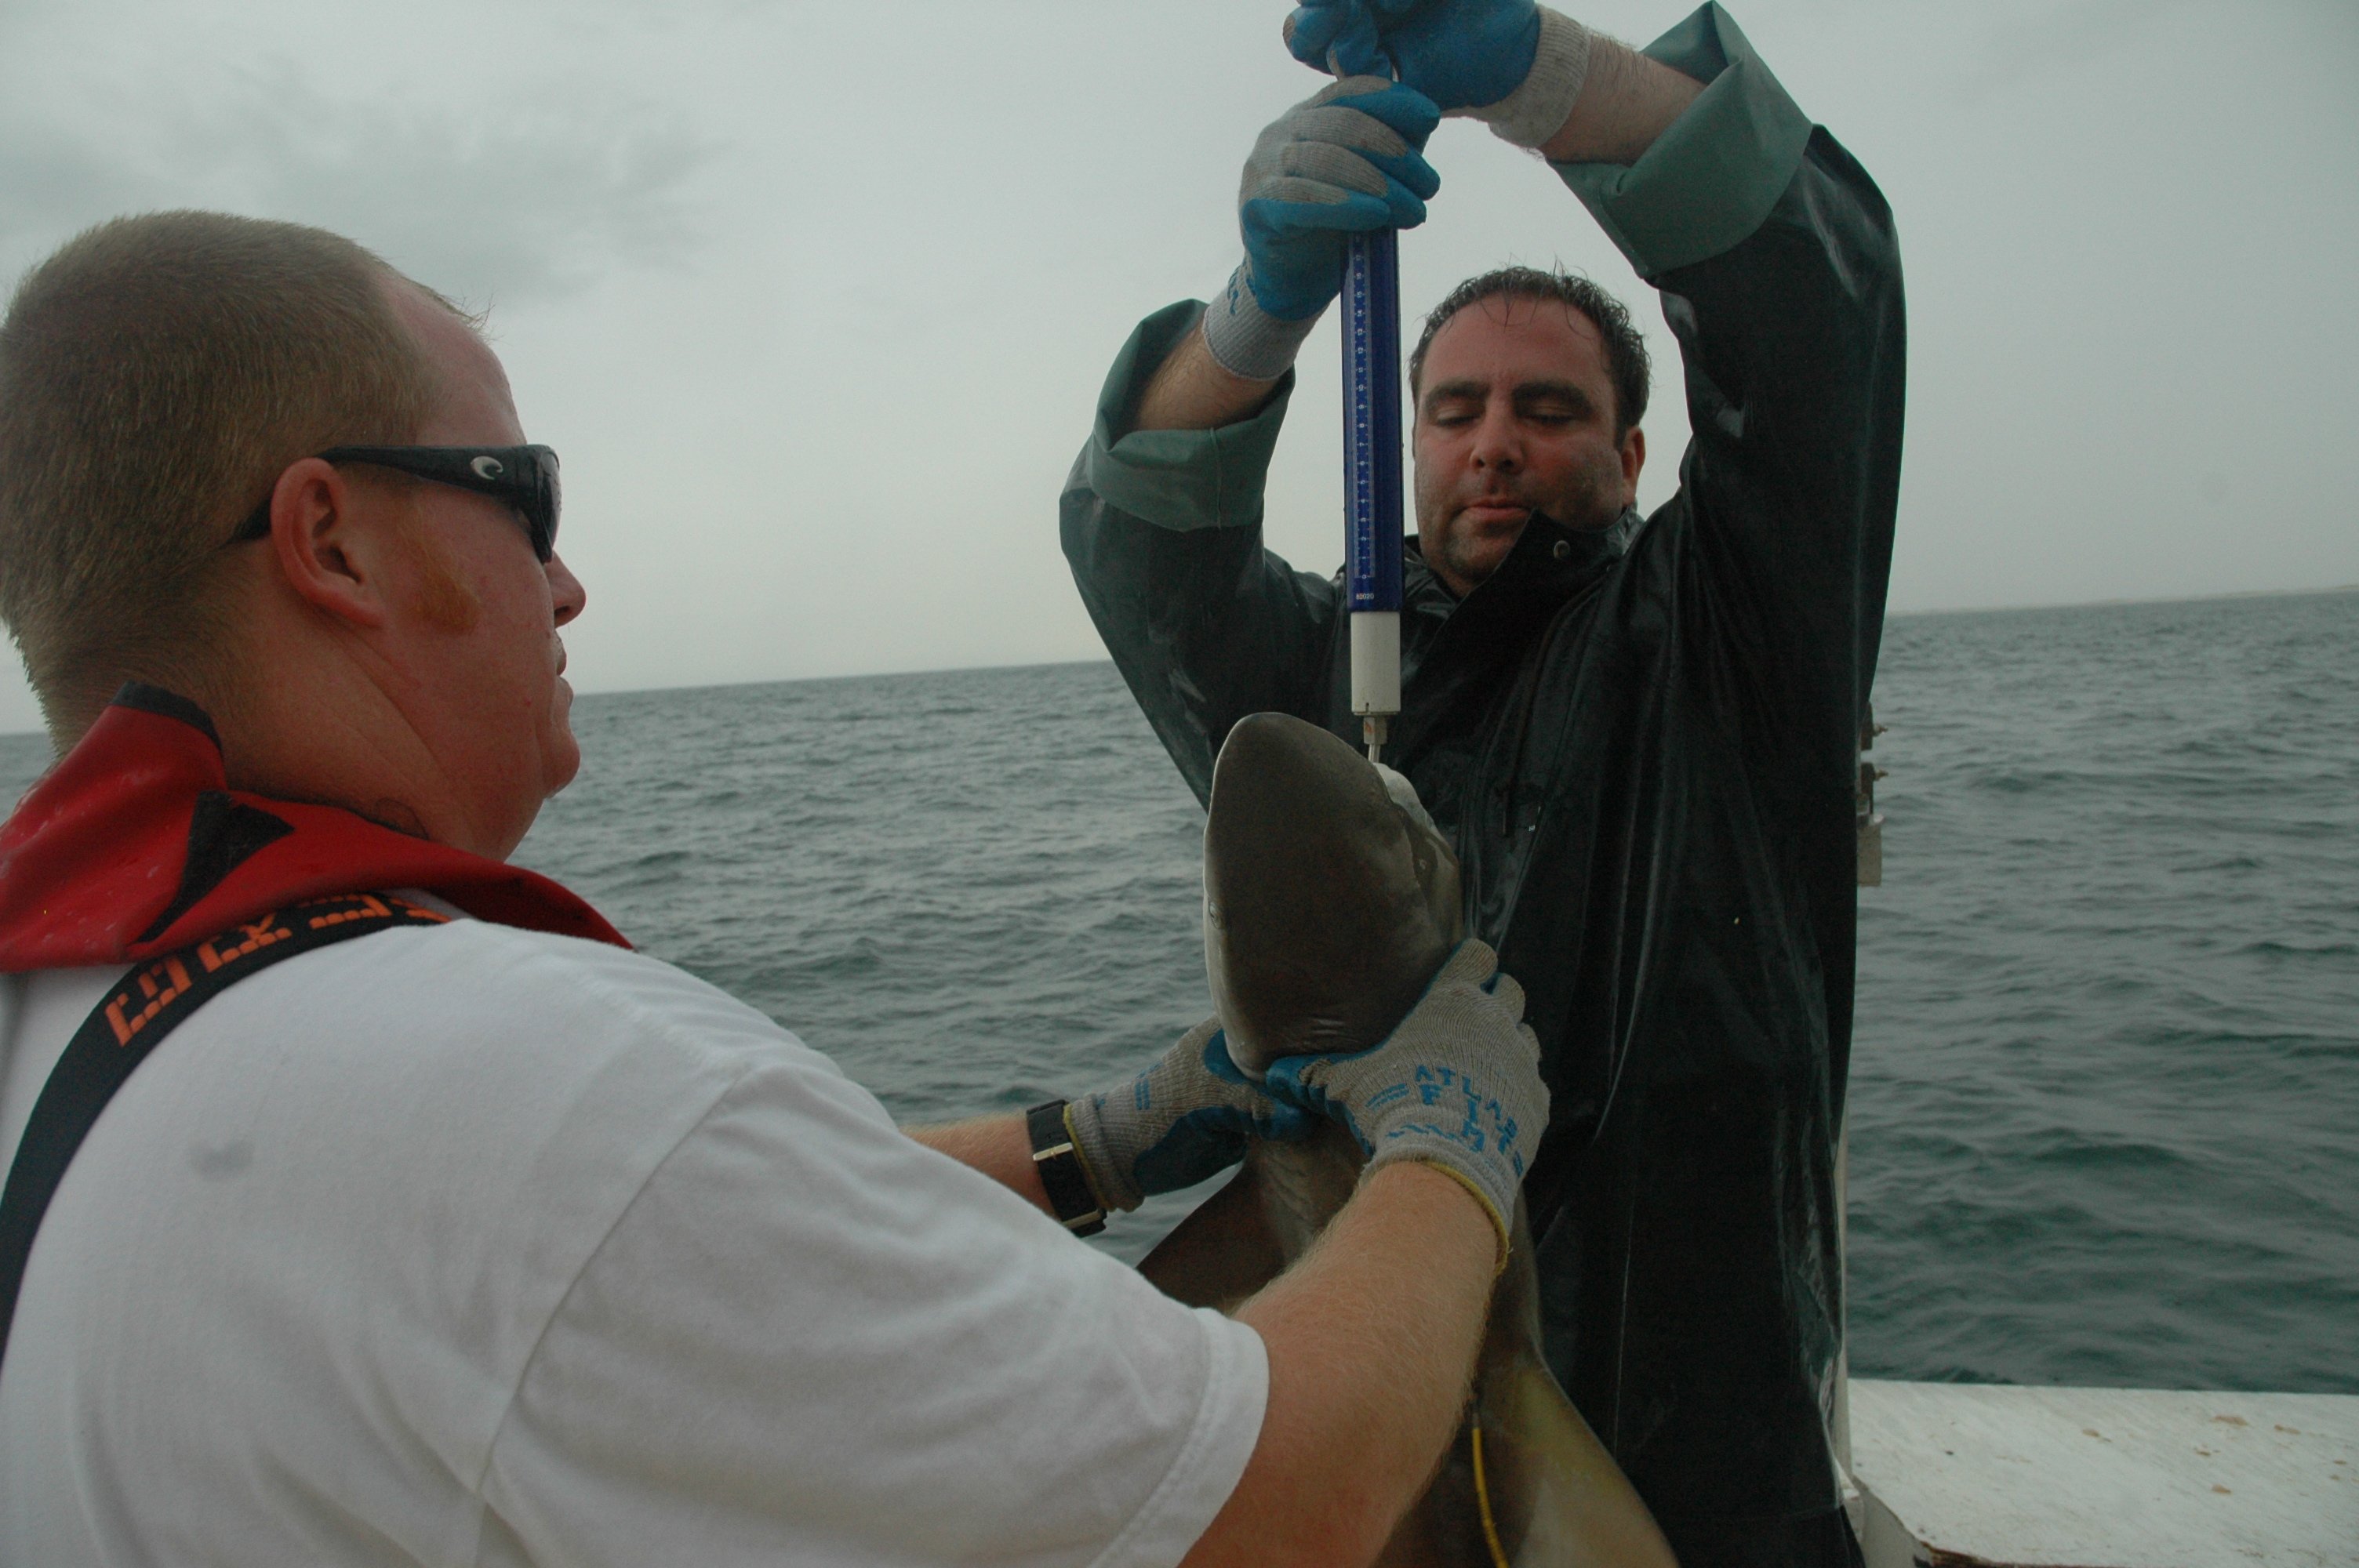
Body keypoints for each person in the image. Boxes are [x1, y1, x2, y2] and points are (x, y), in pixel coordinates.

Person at [0, 210, 1550, 1568]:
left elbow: (644, 1262)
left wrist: (1097, 1142)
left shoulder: (87, 1028)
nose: (565, 582)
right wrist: (1450, 1149)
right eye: (521, 493)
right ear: (329, 542)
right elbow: (1263, 1521)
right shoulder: (506, 1083)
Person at [1060, 2, 1905, 1563]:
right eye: (1453, 410)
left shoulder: (1728, 640)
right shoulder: (1322, 685)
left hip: (1711, 1443)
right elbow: (1139, 555)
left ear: (1637, 449)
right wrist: (1256, 316)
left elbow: (1814, 307)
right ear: (1412, 442)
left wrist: (1543, 73)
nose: (1495, 444)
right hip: (1377, 1422)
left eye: (1550, 408)